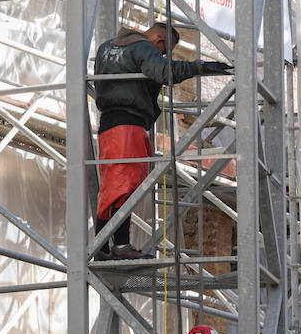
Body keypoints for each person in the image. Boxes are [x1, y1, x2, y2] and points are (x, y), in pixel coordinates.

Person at [94, 22, 232, 259]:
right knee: (124, 185)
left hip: (110, 123)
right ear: (159, 39)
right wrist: (199, 67)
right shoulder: (143, 47)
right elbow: (164, 72)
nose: (163, 55)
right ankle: (117, 247)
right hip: (129, 123)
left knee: (115, 184)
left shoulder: (106, 48)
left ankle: (105, 247)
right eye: (165, 50)